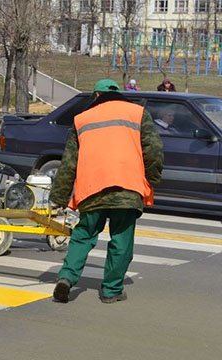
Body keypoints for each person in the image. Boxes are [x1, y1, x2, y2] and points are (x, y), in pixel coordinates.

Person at [50, 79, 164, 304]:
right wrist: (152, 180)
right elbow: (154, 150)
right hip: (128, 187)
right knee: (121, 240)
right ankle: (111, 290)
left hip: (92, 188)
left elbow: (69, 163)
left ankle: (66, 277)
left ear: (95, 96)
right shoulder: (138, 113)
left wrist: (59, 197)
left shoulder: (82, 119)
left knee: (83, 236)